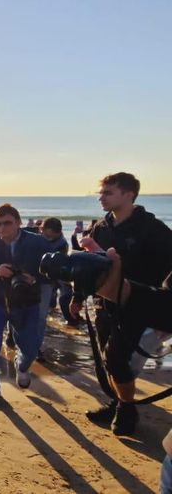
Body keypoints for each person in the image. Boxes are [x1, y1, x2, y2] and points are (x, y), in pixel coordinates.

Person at [71, 172, 172, 435]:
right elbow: (89, 267)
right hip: (105, 304)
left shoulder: (152, 229)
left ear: (128, 195)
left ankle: (126, 411)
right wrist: (78, 296)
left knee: (116, 358)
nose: (100, 198)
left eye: (108, 192)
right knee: (108, 358)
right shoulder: (101, 228)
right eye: (100, 192)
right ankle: (118, 403)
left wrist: (165, 300)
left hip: (139, 304)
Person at [0, 203, 52, 404]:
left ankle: (22, 366)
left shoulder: (38, 243)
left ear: (18, 222)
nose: (1, 228)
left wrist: (33, 278)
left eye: (7, 223)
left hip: (27, 302)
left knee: (30, 349)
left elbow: (53, 271)